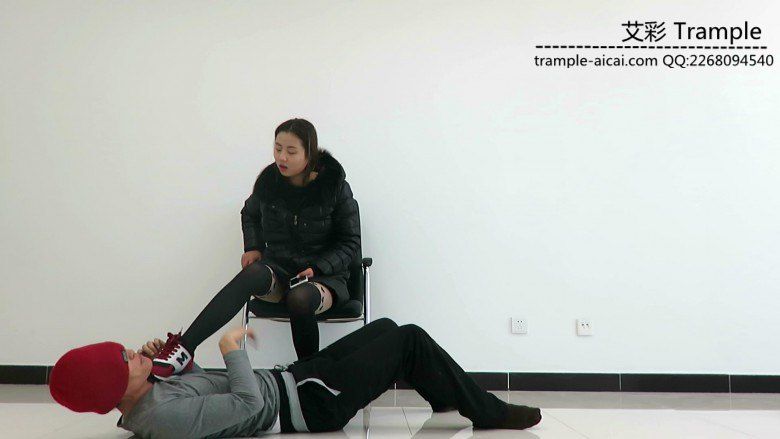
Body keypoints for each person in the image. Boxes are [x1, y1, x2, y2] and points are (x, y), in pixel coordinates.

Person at [49, 318, 542, 438]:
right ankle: (487, 411)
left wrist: (184, 365)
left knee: (388, 328)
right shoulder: (162, 417)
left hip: (294, 381)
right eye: (126, 360)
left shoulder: (151, 398)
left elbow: (207, 393)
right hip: (309, 406)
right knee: (408, 339)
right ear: (112, 389)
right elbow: (245, 406)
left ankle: (445, 398)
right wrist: (232, 351)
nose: (136, 354)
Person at [151, 118, 361, 380]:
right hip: (280, 270)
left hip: (323, 279)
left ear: (310, 153)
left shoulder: (335, 188)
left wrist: (318, 268)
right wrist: (253, 247)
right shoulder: (269, 183)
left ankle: (309, 377)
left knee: (300, 297)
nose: (281, 157)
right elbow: (249, 213)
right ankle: (183, 349)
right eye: (277, 148)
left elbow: (350, 242)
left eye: (291, 151)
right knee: (251, 274)